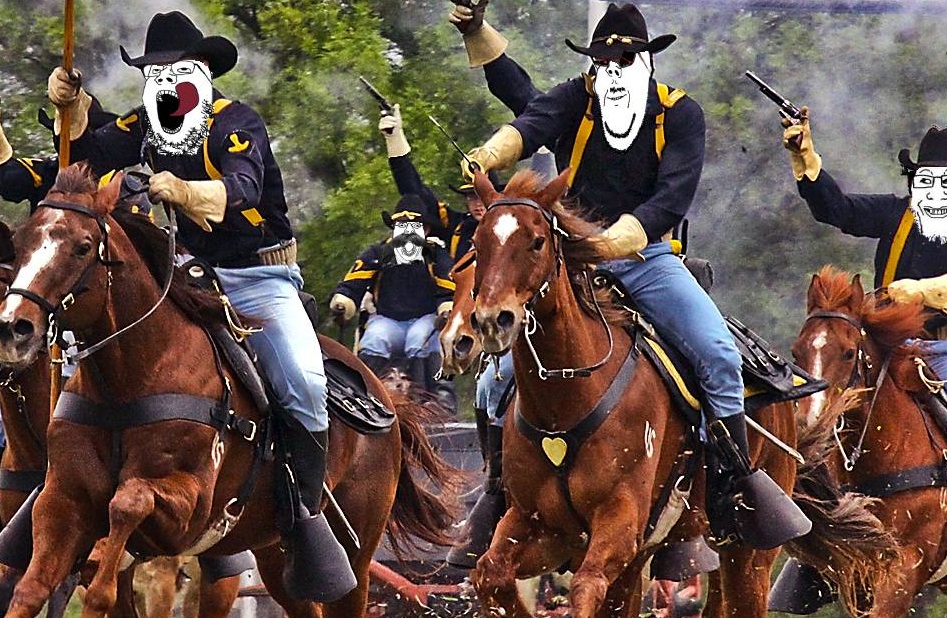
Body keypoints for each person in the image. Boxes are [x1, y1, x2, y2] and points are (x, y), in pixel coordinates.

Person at [458, 1, 810, 551]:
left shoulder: (681, 114)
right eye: (603, 59)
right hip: (570, 266)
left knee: (718, 356)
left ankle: (732, 489)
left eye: (625, 59)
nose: (613, 69)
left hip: (649, 260)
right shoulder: (577, 97)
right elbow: (528, 123)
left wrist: (606, 244)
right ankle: (497, 491)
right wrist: (485, 156)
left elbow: (670, 199)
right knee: (492, 381)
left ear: (646, 60)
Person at [45, 10, 354, 602]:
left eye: (172, 68)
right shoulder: (149, 121)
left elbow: (243, 187)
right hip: (187, 275)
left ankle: (303, 512)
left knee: (302, 383)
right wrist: (73, 104)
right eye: (153, 71)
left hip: (259, 277)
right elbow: (88, 154)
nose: (162, 79)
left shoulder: (237, 122)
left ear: (201, 70)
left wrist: (182, 190)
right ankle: (56, 487)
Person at [783, 116, 947, 379]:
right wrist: (806, 157)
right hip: (888, 343)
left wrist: (921, 291)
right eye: (927, 180)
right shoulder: (894, 211)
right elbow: (837, 209)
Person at [329, 196, 456, 410]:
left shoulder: (435, 255)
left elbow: (449, 290)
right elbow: (353, 283)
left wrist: (446, 309)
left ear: (425, 229)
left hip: (426, 320)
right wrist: (344, 301)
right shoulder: (378, 253)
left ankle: (431, 402)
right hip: (388, 320)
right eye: (401, 226)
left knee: (420, 339)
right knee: (374, 339)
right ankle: (366, 399)